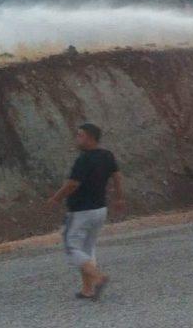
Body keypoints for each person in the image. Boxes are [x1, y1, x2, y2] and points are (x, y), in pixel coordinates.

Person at [46, 123, 125, 300]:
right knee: (88, 249)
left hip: (81, 211)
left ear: (89, 138)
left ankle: (97, 277)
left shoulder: (84, 159)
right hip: (100, 209)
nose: (77, 138)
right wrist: (119, 197)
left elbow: (73, 183)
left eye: (80, 135)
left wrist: (56, 198)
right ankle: (87, 289)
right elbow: (117, 175)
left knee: (71, 247)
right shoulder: (107, 155)